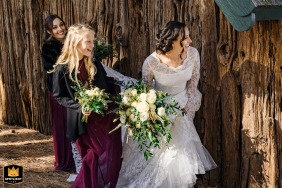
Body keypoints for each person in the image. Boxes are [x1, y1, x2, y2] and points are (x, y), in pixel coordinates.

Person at [116, 21, 217, 188]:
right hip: (160, 110)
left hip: (184, 106)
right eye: (186, 37)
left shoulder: (192, 54)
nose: (190, 41)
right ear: (172, 41)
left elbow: (193, 83)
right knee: (159, 151)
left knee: (180, 152)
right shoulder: (151, 62)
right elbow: (146, 90)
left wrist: (187, 105)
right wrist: (152, 112)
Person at [52, 23, 122, 188]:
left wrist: (119, 88)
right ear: (75, 43)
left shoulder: (94, 63)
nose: (92, 45)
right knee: (91, 157)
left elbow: (105, 85)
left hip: (102, 120)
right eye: (88, 42)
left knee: (108, 154)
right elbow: (59, 96)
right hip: (82, 123)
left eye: (93, 41)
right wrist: (80, 106)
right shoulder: (62, 69)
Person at [41, 14, 77, 173]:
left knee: (77, 124)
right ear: (49, 31)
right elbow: (53, 69)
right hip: (60, 91)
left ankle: (80, 158)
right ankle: (66, 160)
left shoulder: (74, 40)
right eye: (54, 27)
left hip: (76, 89)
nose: (60, 29)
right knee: (63, 125)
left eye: (61, 24)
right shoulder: (48, 47)